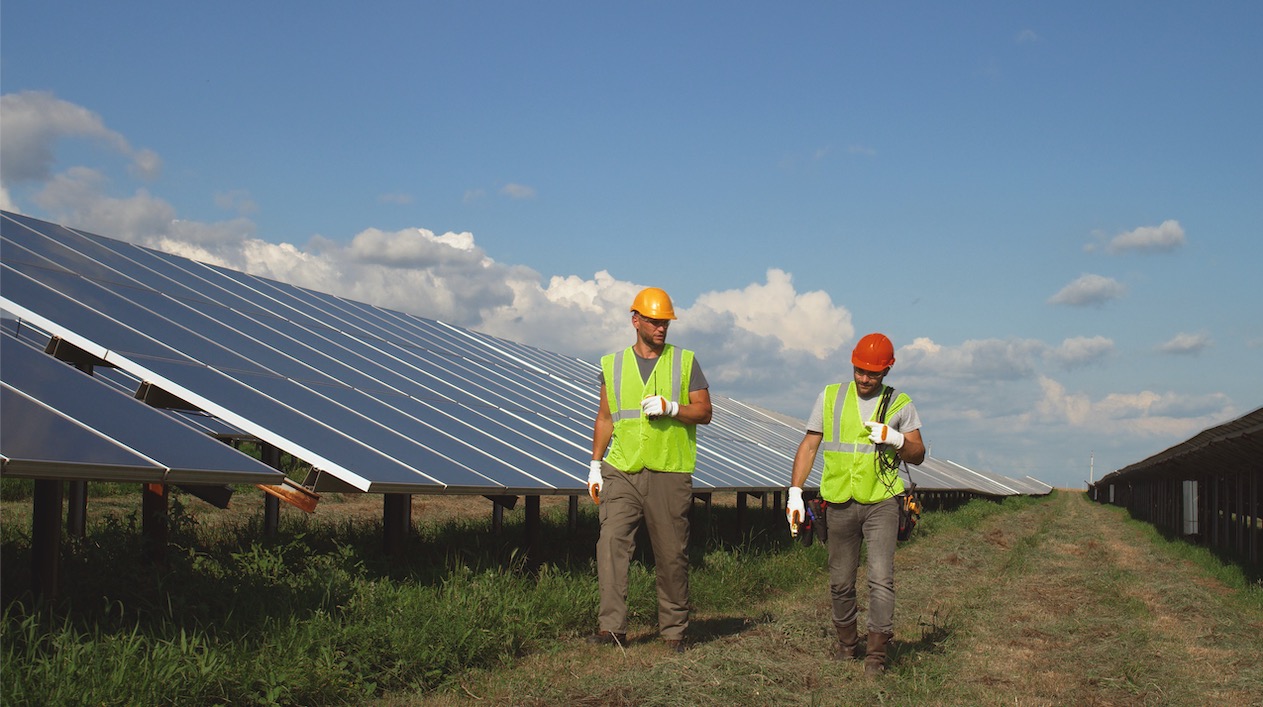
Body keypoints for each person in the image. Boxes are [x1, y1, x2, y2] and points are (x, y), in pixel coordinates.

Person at [786, 332, 925, 675]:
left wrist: (895, 440)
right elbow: (809, 445)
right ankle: (847, 644)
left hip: (882, 500)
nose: (864, 379)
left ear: (887, 371)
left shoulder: (900, 403)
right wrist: (794, 492)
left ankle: (876, 654)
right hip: (838, 501)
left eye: (872, 374)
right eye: (859, 371)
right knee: (841, 581)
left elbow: (918, 454)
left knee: (880, 578)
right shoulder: (830, 397)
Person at [586, 286, 712, 653]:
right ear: (635, 320)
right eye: (655, 321)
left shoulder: (685, 361)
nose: (661, 328)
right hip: (621, 467)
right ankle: (612, 628)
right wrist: (595, 463)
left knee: (671, 552)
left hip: (669, 471)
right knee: (610, 544)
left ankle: (673, 631)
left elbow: (705, 412)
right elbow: (606, 416)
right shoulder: (613, 364)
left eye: (666, 322)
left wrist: (673, 408)